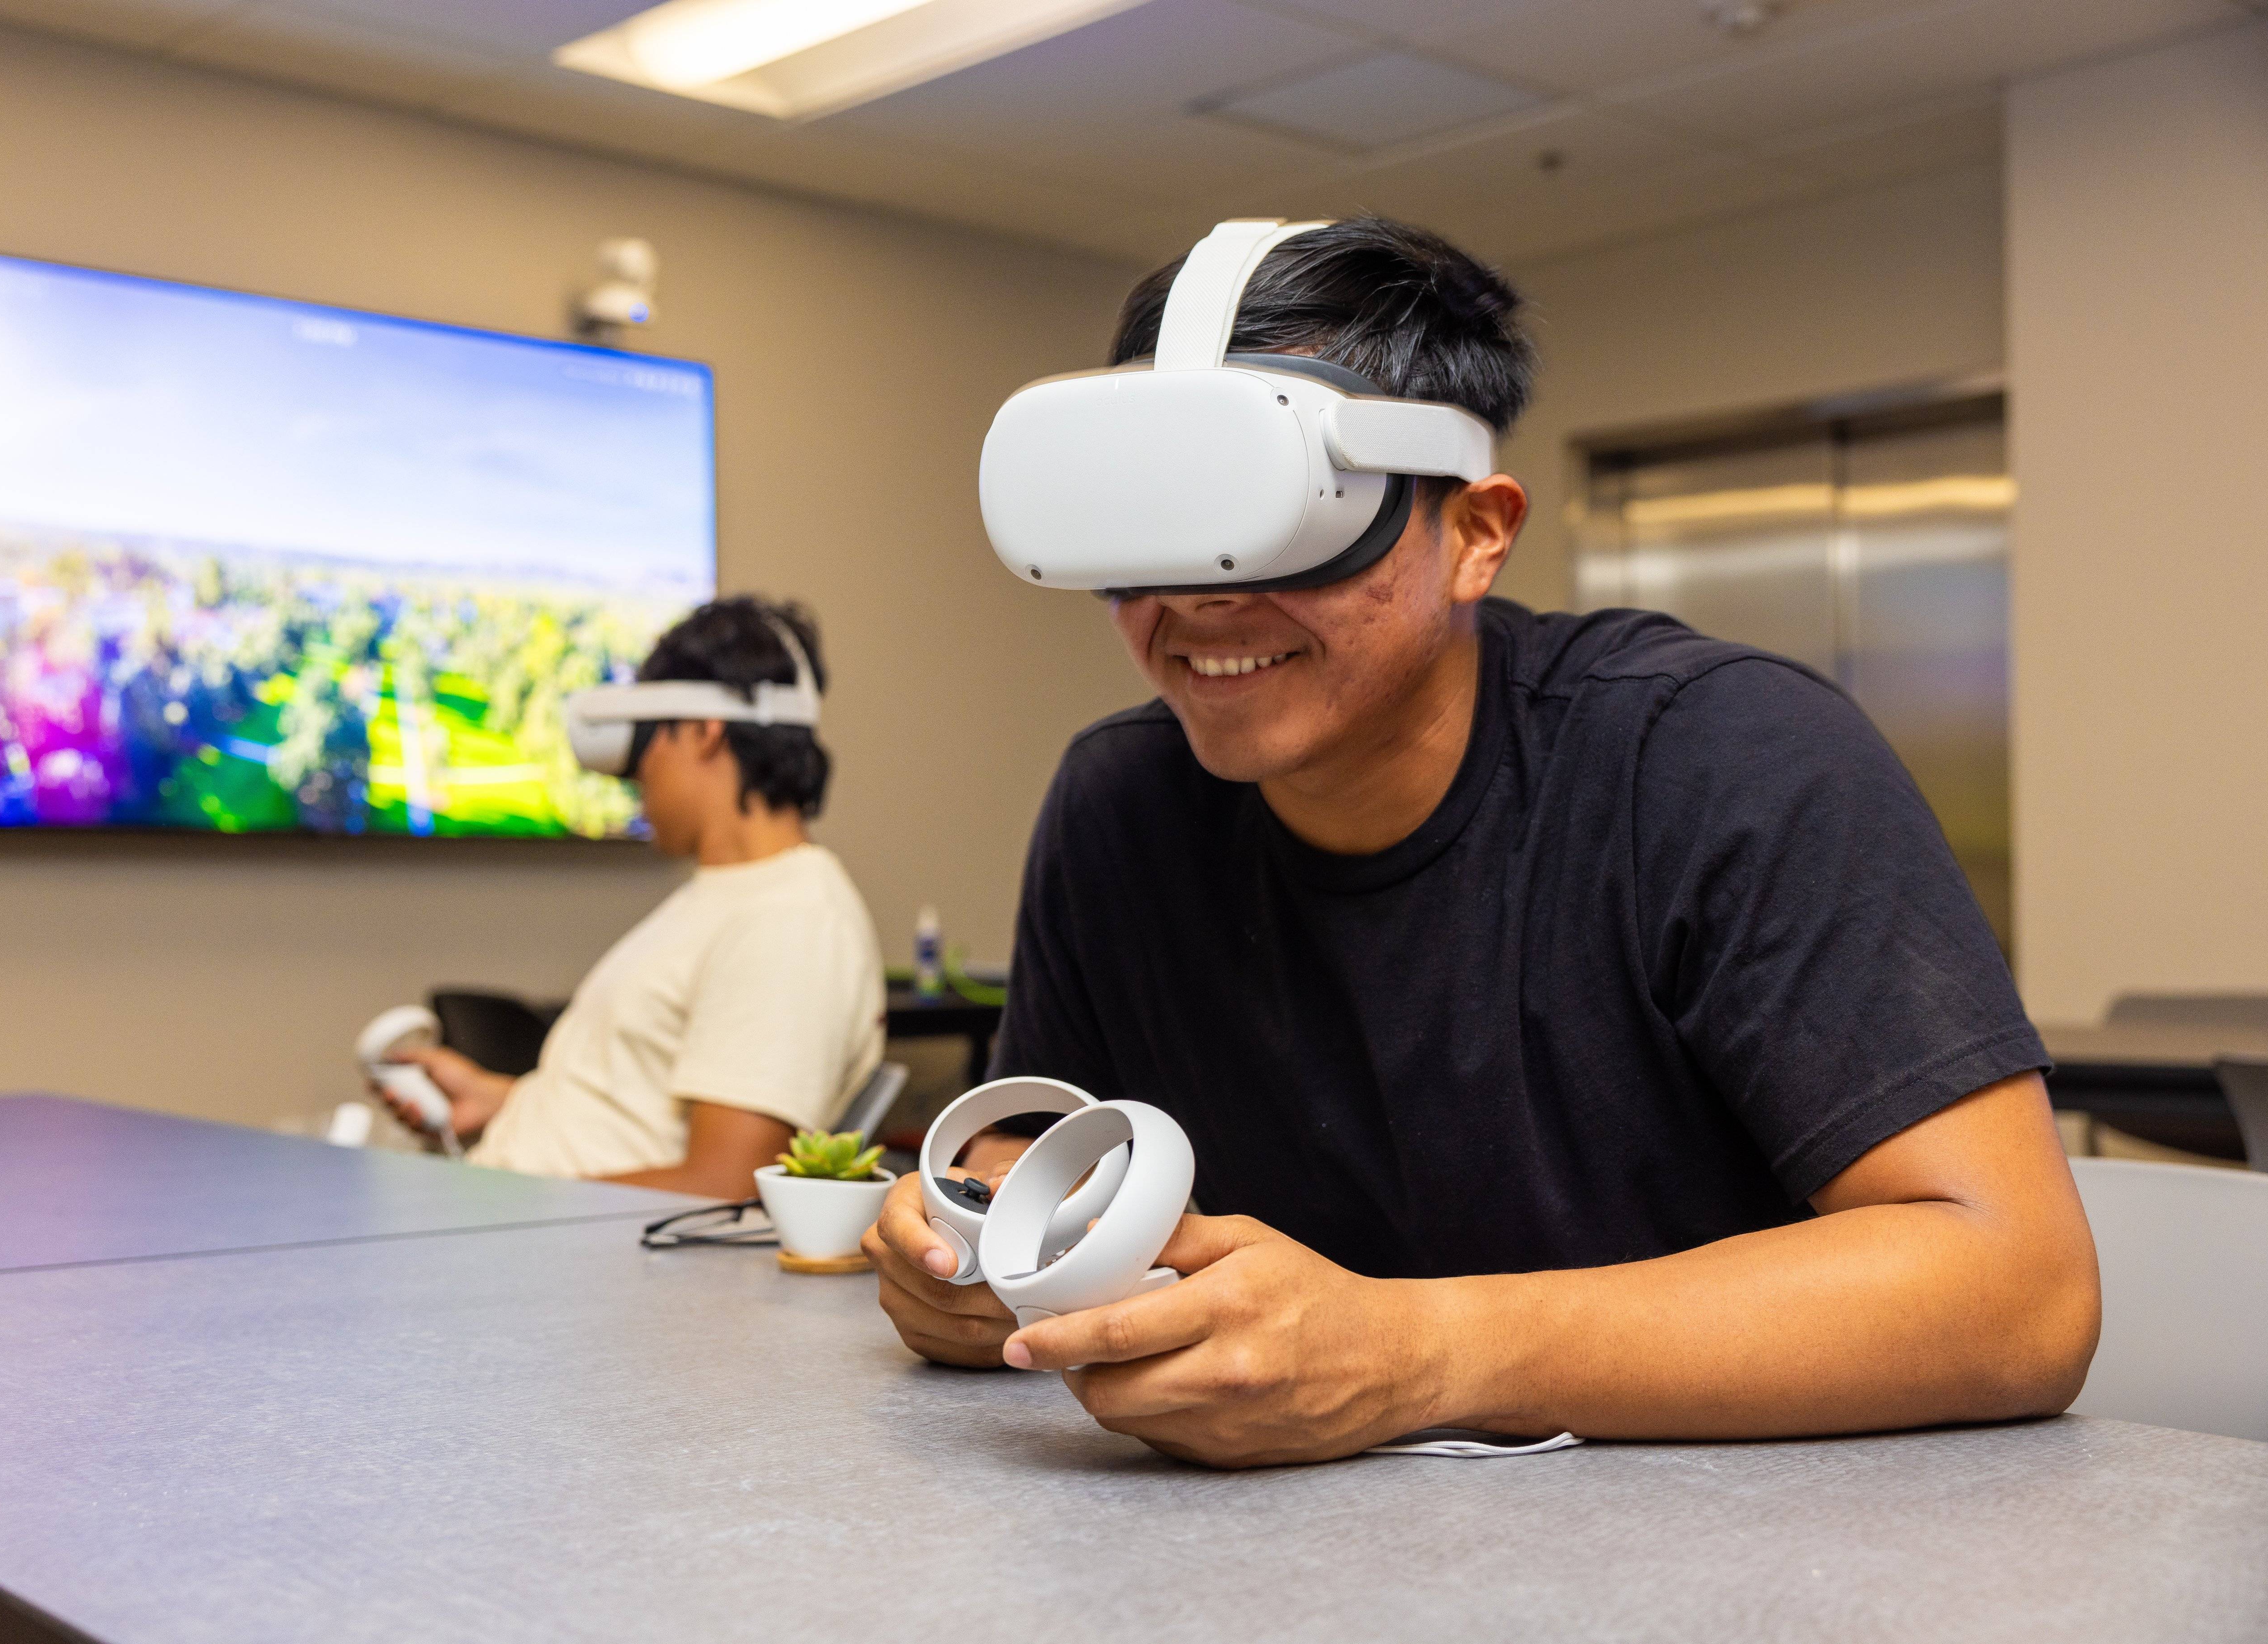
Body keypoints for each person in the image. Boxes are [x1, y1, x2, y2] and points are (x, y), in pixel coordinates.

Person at [863, 218, 2100, 1467]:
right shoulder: (1120, 802)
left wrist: (1421, 1352)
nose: (1197, 602)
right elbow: (1037, 1158)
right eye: (1153, 527)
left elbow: (2018, 1290)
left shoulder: (1715, 756)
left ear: (1475, 533)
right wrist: (977, 1257)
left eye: (1273, 518)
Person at [379, 597, 884, 1199]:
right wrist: (497, 1099)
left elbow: (726, 1184)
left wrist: (502, 1207)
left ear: (704, 732)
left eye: (647, 744)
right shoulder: (724, 898)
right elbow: (633, 1112)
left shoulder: (792, 920)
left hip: (550, 1258)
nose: (635, 777)